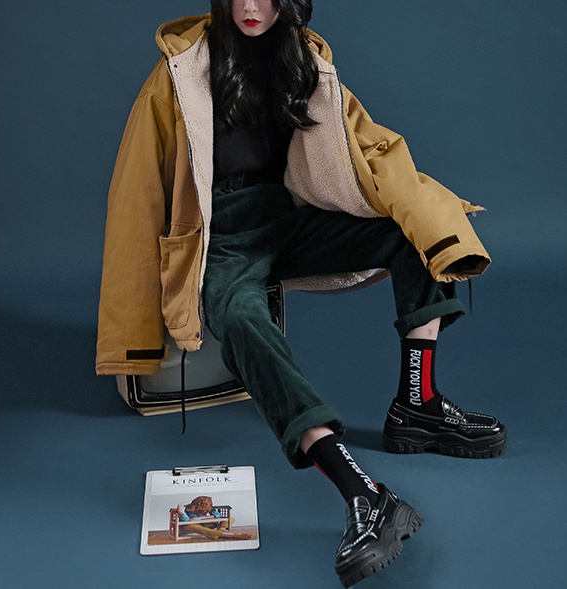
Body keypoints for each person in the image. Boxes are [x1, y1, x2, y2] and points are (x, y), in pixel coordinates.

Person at [96, 1, 506, 585]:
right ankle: (362, 493)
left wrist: (438, 222)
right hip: (220, 235)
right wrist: (132, 334)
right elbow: (136, 199)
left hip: (285, 217)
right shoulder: (178, 72)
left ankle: (418, 404)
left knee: (414, 232)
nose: (251, 6)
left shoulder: (306, 59)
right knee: (241, 316)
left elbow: (370, 147)